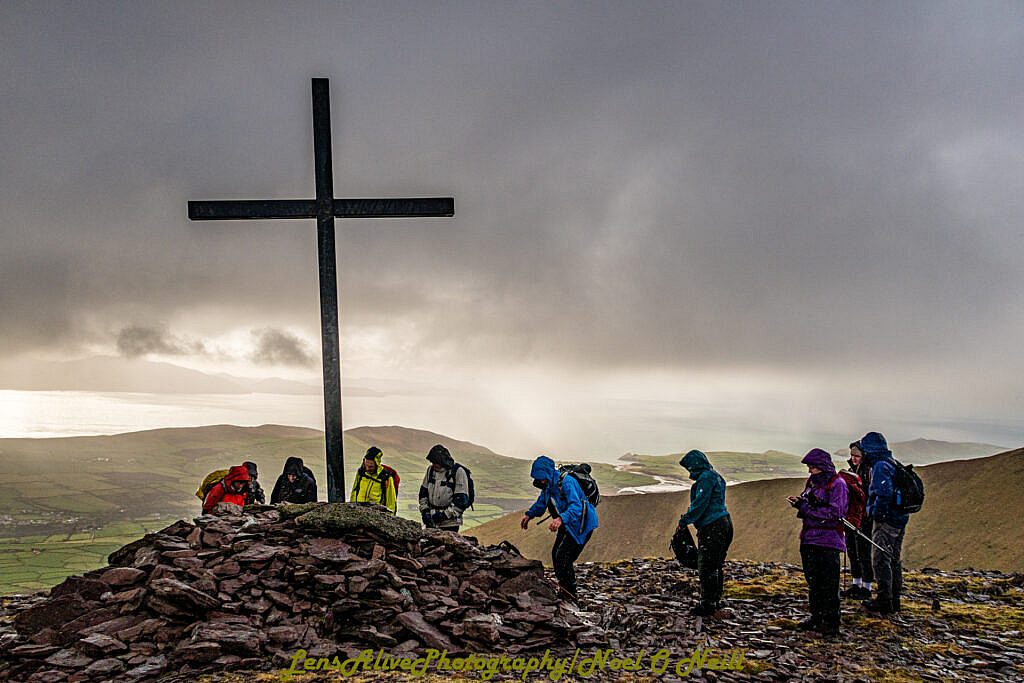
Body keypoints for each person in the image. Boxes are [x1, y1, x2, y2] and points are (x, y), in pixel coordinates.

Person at [520, 456, 598, 601]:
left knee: (563, 557)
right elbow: (542, 502)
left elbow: (577, 507)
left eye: (541, 477)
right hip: (567, 524)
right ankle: (564, 589)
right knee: (557, 555)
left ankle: (570, 594)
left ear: (548, 473)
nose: (540, 481)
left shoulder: (567, 482)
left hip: (582, 525)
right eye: (537, 478)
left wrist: (560, 518)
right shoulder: (548, 485)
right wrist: (529, 515)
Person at [788, 448, 848, 635]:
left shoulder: (838, 484)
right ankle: (816, 617)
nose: (809, 471)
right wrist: (801, 503)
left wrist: (804, 507)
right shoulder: (813, 482)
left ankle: (831, 622)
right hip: (809, 538)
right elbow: (811, 504)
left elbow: (835, 514)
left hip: (828, 541)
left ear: (822, 467)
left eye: (812, 468)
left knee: (829, 583)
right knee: (813, 580)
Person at [675, 450, 733, 617]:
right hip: (724, 522)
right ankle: (715, 599)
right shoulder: (715, 476)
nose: (689, 472)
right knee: (716, 563)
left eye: (689, 468)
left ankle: (707, 604)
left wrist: (684, 520)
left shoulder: (705, 479)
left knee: (707, 565)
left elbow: (700, 504)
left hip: (713, 526)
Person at [860, 431, 909, 615]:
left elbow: (884, 493)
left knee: (881, 559)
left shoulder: (880, 465)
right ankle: (894, 600)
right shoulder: (891, 462)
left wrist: (876, 514)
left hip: (887, 520)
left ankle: (884, 600)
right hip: (899, 518)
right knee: (893, 559)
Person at [842, 442, 873, 599]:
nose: (853, 458)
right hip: (852, 516)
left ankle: (866, 587)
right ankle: (857, 584)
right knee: (853, 550)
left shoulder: (869, 471)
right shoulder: (851, 472)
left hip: (864, 518)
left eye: (857, 456)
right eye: (852, 455)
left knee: (863, 552)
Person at [418, 444, 470, 532]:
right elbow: (423, 494)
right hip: (432, 520)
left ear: (443, 461)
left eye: (436, 462)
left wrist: (444, 515)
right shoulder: (430, 470)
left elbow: (461, 502)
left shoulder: (458, 472)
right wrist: (425, 512)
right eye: (432, 462)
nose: (434, 465)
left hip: (450, 524)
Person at [350, 446, 398, 514]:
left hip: (375, 514)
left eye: (371, 466)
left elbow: (391, 501)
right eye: (366, 465)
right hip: (359, 512)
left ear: (377, 464)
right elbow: (354, 491)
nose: (367, 468)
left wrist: (390, 516)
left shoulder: (385, 477)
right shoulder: (361, 472)